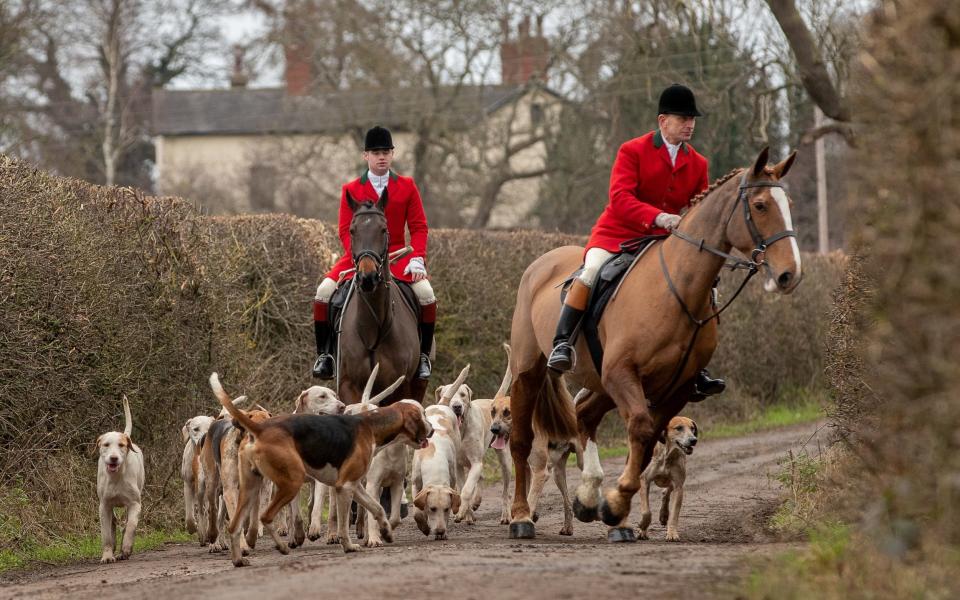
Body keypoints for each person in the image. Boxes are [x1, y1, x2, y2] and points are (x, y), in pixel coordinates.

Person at [546, 84, 725, 396]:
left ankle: (695, 364)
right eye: (683, 118)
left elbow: (700, 213)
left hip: (664, 242)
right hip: (618, 234)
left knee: (702, 289)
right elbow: (619, 198)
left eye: (692, 118)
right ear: (662, 121)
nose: (690, 123)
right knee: (589, 273)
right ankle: (562, 344)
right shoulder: (633, 150)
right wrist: (658, 217)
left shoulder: (699, 164)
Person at [312, 125, 436, 380]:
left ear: (392, 155)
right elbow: (346, 230)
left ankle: (423, 357)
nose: (382, 157)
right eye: (376, 152)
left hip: (399, 258)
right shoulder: (351, 189)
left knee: (426, 294)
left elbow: (419, 227)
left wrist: (417, 258)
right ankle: (326, 356)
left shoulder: (407, 186)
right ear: (365, 156)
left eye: (386, 152)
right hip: (359, 258)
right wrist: (360, 257)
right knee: (323, 292)